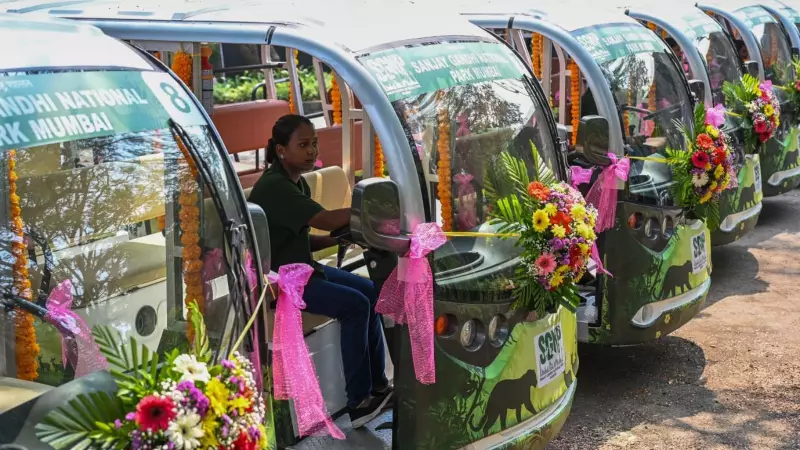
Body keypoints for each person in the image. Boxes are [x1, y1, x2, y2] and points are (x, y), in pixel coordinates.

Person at [248, 114, 392, 428]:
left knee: (372, 292)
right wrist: (372, 208)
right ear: (281, 150)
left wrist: (336, 239)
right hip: (283, 282)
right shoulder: (274, 187)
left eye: (313, 143)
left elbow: (297, 238)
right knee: (356, 305)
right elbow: (325, 219)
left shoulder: (294, 181)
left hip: (302, 269)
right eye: (303, 145)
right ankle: (359, 402)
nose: (312, 151)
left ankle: (379, 386)